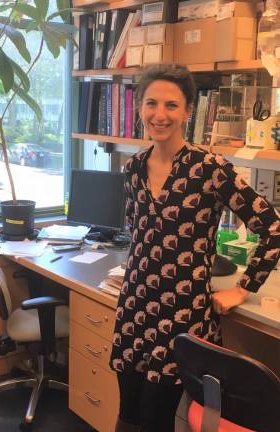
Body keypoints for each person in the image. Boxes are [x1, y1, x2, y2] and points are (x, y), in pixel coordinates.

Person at [109, 64, 280, 432]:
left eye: (171, 105)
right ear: (139, 107)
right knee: (127, 413)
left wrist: (242, 287)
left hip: (180, 315)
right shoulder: (133, 169)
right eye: (151, 103)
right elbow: (137, 233)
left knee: (155, 418)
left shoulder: (210, 168)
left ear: (188, 111)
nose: (160, 114)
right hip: (134, 307)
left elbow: (272, 228)